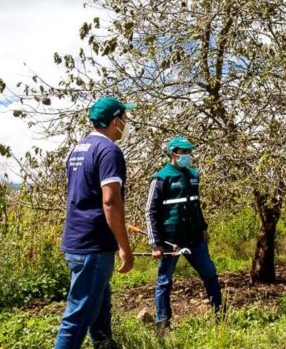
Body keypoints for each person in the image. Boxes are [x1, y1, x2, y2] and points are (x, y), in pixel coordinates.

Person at [55, 97, 135, 349]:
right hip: (94, 245)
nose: (127, 122)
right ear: (115, 121)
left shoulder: (78, 149)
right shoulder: (109, 150)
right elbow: (110, 201)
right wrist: (125, 246)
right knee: (78, 317)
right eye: (125, 118)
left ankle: (104, 345)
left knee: (99, 306)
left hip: (76, 241)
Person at [145, 136, 222, 330]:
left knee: (210, 274)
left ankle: (220, 315)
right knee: (164, 281)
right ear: (173, 153)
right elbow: (150, 211)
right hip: (172, 241)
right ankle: (162, 323)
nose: (187, 155)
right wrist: (155, 243)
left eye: (189, 152)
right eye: (184, 152)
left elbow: (196, 205)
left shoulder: (193, 174)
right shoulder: (161, 177)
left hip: (195, 238)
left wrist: (204, 228)